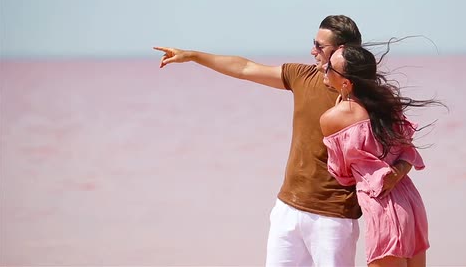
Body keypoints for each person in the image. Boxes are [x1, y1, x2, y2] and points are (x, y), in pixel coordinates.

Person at [153, 15, 414, 266]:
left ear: (340, 50)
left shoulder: (371, 100)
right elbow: (245, 68)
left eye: (318, 45)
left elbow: (405, 150)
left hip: (334, 218)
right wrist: (193, 56)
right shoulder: (302, 76)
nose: (312, 51)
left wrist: (395, 174)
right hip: (287, 209)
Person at [319, 45, 441, 267]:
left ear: (346, 83)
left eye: (329, 67)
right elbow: (408, 152)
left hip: (383, 209)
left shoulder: (332, 118)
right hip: (411, 203)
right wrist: (395, 171)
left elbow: (342, 174)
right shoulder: (387, 104)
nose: (324, 69)